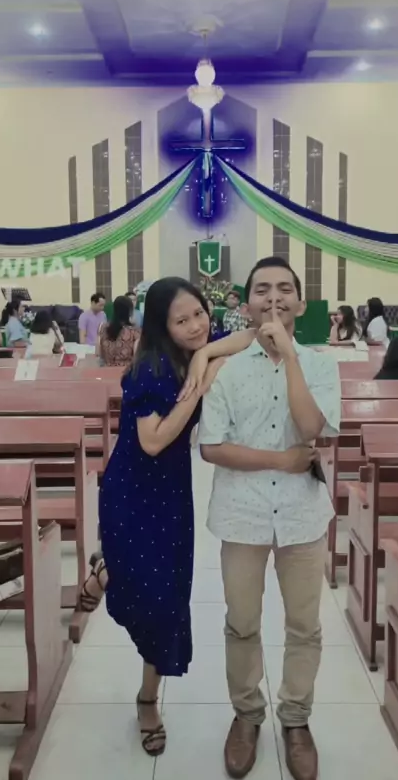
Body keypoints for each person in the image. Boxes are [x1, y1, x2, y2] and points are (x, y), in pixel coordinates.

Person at [88, 278, 255, 758]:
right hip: (132, 492)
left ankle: (147, 697)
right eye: (182, 320)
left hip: (172, 496)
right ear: (163, 326)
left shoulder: (194, 349)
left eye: (199, 313)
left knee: (167, 604)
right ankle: (109, 574)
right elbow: (154, 441)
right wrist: (197, 385)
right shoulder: (151, 368)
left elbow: (250, 335)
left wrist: (204, 357)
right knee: (150, 598)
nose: (196, 325)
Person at [199, 256, 341, 780]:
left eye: (284, 289)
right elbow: (212, 447)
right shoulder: (227, 370)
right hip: (242, 513)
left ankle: (296, 720)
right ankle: (247, 716)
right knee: (242, 622)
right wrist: (281, 460)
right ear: (247, 304)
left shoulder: (321, 366)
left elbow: (310, 428)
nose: (274, 298)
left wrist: (291, 358)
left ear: (300, 303)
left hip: (303, 515)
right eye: (262, 290)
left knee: (304, 625)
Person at [97, 295, 140, 369]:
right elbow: (137, 358)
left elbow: (98, 353)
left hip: (106, 371)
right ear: (130, 311)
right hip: (126, 372)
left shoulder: (102, 328)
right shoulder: (135, 332)